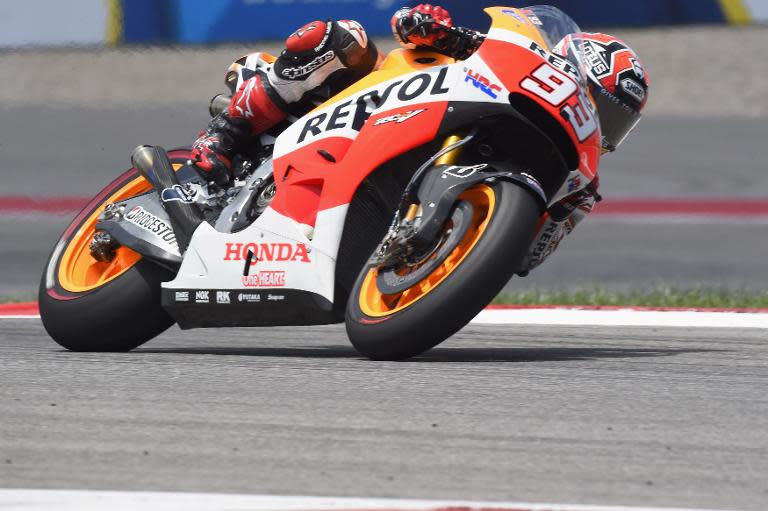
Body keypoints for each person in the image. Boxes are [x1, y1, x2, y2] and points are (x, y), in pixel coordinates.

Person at [189, 4, 649, 274]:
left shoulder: (579, 186)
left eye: (615, 122)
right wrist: (430, 24)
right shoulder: (511, 61)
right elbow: (410, 23)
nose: (599, 122)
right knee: (340, 38)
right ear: (572, 67)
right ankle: (224, 137)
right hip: (368, 102)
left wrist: (557, 212)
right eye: (600, 103)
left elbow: (525, 259)